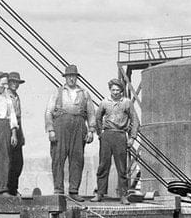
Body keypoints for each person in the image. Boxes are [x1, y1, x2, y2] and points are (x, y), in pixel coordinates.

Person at [45, 64, 96, 200]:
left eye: (73, 76)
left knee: (77, 159)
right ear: (65, 77)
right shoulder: (58, 91)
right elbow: (49, 112)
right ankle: (59, 191)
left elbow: (91, 113)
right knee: (58, 158)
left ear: (76, 77)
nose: (71, 79)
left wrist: (91, 130)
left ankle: (74, 191)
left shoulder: (84, 93)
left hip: (79, 126)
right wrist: (50, 130)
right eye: (69, 76)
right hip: (60, 126)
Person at [93, 78, 139, 205]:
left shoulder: (127, 103)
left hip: (120, 136)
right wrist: (100, 133)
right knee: (103, 165)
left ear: (122, 91)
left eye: (118, 90)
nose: (115, 92)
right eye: (113, 90)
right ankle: (100, 193)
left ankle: (123, 195)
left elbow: (135, 120)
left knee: (122, 168)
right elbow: (97, 118)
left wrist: (132, 138)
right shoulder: (104, 102)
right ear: (110, 90)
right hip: (107, 135)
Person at [5, 71, 26, 196]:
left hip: (17, 128)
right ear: (8, 83)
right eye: (13, 82)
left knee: (18, 162)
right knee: (8, 160)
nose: (15, 84)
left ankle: (13, 188)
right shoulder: (5, 96)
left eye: (17, 82)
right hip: (7, 128)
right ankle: (7, 189)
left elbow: (19, 117)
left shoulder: (17, 96)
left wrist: (21, 134)